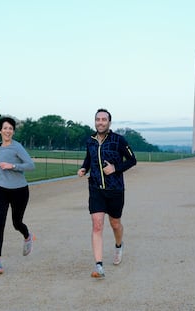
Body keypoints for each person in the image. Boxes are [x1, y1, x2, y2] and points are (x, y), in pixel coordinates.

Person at [77, 108, 137, 279]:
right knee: (97, 225)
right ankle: (99, 266)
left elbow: (133, 160)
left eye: (104, 119)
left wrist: (115, 168)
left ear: (109, 122)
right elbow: (89, 158)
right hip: (96, 189)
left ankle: (119, 245)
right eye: (98, 119)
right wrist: (84, 168)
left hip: (115, 190)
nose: (100, 122)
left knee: (115, 224)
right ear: (95, 121)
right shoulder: (90, 140)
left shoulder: (119, 140)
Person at [0, 117, 35, 274]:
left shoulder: (17, 147)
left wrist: (12, 166)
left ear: (13, 131)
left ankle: (27, 235)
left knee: (16, 222)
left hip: (19, 190)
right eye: (5, 128)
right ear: (0, 131)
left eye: (10, 129)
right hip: (1, 190)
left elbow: (30, 165)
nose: (8, 131)